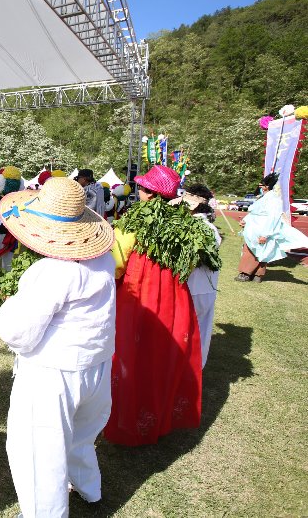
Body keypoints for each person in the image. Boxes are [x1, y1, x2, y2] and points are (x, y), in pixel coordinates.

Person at [0, 177, 116, 517]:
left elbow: (17, 331)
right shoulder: (103, 261)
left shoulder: (50, 272)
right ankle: (89, 487)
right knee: (80, 436)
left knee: (39, 452)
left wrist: (9, 304)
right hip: (96, 363)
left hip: (53, 374)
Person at [105, 165, 221, 446]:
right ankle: (156, 420)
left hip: (140, 294)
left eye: (143, 189)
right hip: (174, 295)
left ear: (149, 194)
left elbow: (117, 260)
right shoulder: (188, 222)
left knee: (131, 354)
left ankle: (127, 423)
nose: (139, 193)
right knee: (162, 353)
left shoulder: (136, 219)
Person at [172, 184, 221, 368]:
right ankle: (196, 367)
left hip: (190, 289)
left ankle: (185, 369)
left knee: (184, 331)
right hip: (206, 289)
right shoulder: (211, 229)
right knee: (201, 331)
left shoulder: (190, 227)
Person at [236, 172, 308, 282]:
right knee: (254, 249)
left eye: (261, 186)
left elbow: (273, 218)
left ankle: (249, 274)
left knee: (258, 251)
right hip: (254, 229)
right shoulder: (263, 198)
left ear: (266, 186)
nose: (259, 188)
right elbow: (255, 213)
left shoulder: (274, 200)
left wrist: (266, 234)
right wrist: (245, 221)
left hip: (263, 230)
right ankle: (254, 274)